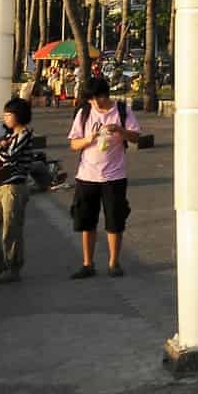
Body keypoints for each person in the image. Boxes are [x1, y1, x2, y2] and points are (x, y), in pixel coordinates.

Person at [67, 76, 140, 279]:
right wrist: (89, 138)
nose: (95, 103)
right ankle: (87, 263)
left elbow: (135, 136)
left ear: (105, 94)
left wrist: (120, 130)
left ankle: (113, 263)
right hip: (87, 176)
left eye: (98, 97)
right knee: (86, 221)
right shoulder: (84, 113)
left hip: (114, 176)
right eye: (91, 99)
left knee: (115, 221)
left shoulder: (122, 111)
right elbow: (73, 144)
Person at [0, 97, 41, 283]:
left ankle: (13, 268)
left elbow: (9, 158)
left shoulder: (25, 135)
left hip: (15, 187)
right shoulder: (8, 135)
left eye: (8, 114)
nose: (5, 118)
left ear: (19, 116)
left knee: (11, 230)